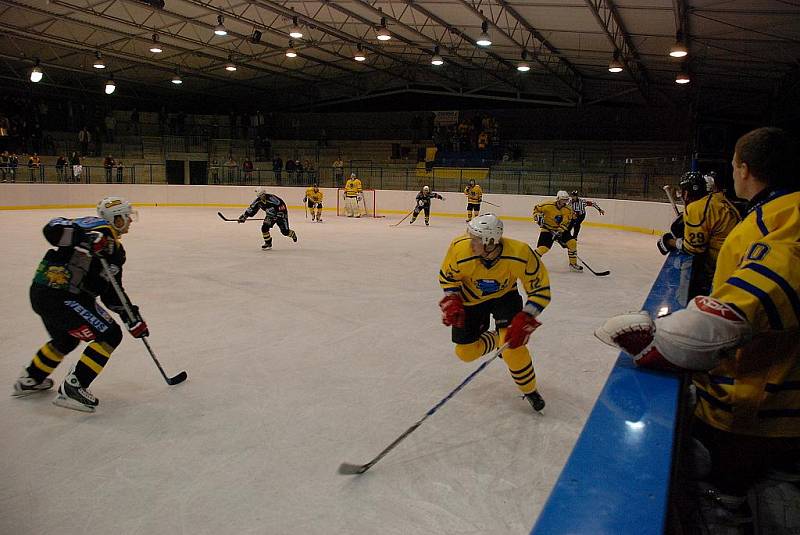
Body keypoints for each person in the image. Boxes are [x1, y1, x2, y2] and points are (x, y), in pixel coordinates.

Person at [596, 127, 800, 522]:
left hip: (756, 414)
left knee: (723, 503)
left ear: (743, 169)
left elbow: (736, 312)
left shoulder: (782, 221)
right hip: (771, 411)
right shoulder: (761, 212)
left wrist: (660, 340)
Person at [12, 197, 147, 412]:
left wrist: (132, 318)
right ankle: (74, 388)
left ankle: (31, 378)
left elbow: (112, 291)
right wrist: (84, 238)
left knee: (65, 339)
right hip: (61, 295)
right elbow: (52, 228)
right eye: (126, 216)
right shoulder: (92, 226)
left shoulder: (115, 251)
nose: (130, 221)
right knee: (110, 335)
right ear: (115, 218)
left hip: (46, 294)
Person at [438, 214, 551, 412]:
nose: (470, 243)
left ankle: (530, 390)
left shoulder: (520, 253)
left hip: (505, 297)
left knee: (512, 349)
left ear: (489, 242)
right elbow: (448, 279)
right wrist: (453, 299)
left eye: (475, 240)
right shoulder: (460, 249)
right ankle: (498, 340)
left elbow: (540, 289)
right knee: (465, 353)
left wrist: (526, 316)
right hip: (471, 300)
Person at [657, 171, 741, 296]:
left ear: (686, 193)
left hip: (724, 269)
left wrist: (670, 242)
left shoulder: (696, 208)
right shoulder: (717, 199)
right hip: (738, 263)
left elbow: (694, 248)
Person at [532, 190, 581, 271]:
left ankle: (573, 264)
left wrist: (559, 232)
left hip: (561, 230)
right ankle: (531, 262)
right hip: (547, 229)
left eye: (566, 200)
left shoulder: (568, 209)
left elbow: (566, 222)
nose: (564, 201)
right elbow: (536, 209)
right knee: (543, 248)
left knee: (572, 243)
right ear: (558, 199)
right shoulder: (547, 205)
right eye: (563, 199)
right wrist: (537, 216)